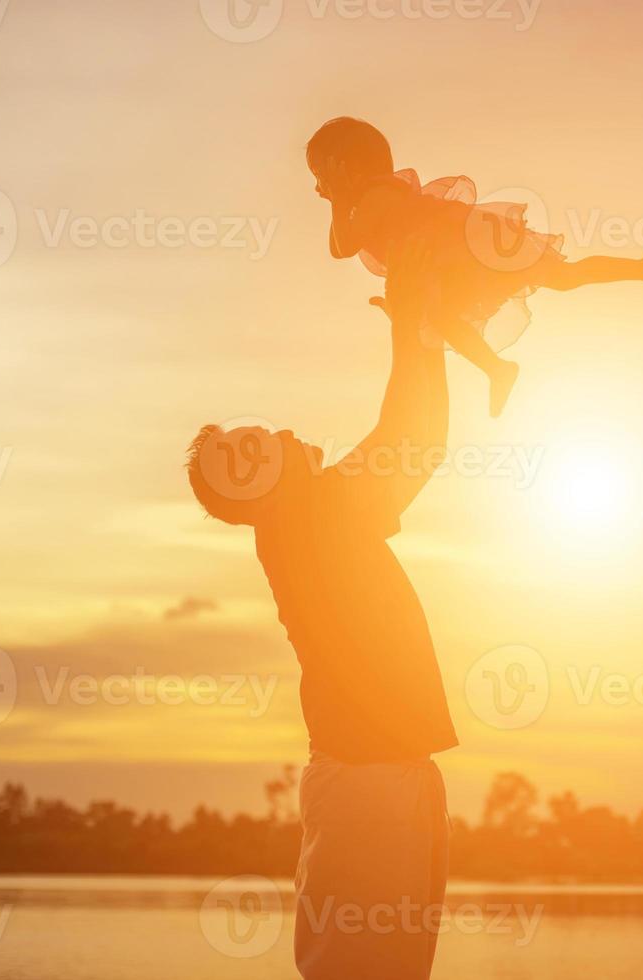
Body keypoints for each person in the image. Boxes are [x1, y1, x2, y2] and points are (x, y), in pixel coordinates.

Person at [186, 241, 456, 980]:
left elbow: (416, 439)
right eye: (270, 441)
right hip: (370, 784)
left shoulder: (307, 518)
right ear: (262, 480)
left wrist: (421, 325)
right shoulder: (308, 519)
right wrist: (414, 320)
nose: (289, 434)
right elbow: (415, 440)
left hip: (390, 776)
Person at [307, 116, 643, 417]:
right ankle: (497, 369)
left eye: (321, 175)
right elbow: (340, 245)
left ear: (348, 168)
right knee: (445, 317)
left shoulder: (377, 195)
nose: (319, 187)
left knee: (563, 277)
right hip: (454, 266)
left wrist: (338, 202)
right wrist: (336, 201)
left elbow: (345, 246)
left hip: (472, 254)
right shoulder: (364, 201)